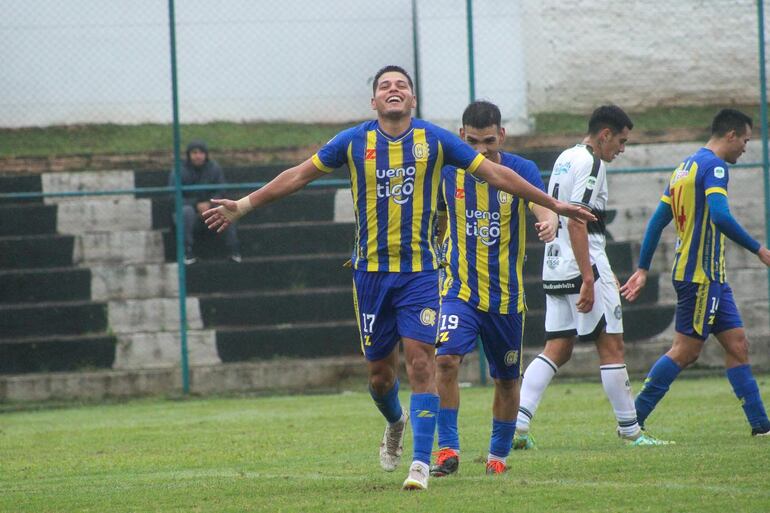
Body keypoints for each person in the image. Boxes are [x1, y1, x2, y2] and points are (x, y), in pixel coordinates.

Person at [202, 65, 595, 491]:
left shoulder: (436, 141)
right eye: (385, 86)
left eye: (401, 86)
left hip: (421, 274)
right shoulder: (353, 142)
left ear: (412, 100)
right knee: (379, 376)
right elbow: (299, 175)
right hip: (370, 274)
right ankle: (395, 420)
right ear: (374, 101)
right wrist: (243, 206)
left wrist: (553, 207)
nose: (393, 90)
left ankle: (422, 465)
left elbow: (497, 174)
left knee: (425, 361)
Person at [513, 105, 669, 450]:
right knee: (612, 346)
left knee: (558, 347)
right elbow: (578, 220)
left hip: (555, 264)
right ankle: (631, 431)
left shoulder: (566, 157)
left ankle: (518, 426)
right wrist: (589, 276)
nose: (622, 149)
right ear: (605, 135)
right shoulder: (592, 163)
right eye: (621, 141)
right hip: (581, 264)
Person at [621, 108, 770, 437]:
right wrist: (759, 249)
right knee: (685, 351)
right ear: (730, 135)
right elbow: (720, 216)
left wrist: (643, 268)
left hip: (711, 276)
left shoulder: (684, 167)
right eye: (745, 140)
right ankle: (632, 421)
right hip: (700, 276)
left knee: (738, 344)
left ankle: (761, 426)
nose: (746, 147)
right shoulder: (714, 167)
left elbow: (657, 221)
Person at [429, 100, 558, 477]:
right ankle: (447, 451)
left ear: (501, 134)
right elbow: (438, 217)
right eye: (473, 142)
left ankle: (497, 457)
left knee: (506, 380)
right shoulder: (448, 171)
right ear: (460, 137)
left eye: (488, 140)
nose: (481, 149)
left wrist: (549, 223)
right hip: (458, 290)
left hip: (505, 296)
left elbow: (543, 206)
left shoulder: (521, 170)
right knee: (446, 360)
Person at [169, 140, 241, 264]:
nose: (198, 156)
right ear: (189, 155)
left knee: (228, 209)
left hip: (211, 212)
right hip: (190, 214)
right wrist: (196, 204)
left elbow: (222, 190)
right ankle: (187, 252)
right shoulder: (179, 170)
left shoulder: (214, 168)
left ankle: (234, 251)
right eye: (194, 152)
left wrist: (210, 203)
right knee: (186, 212)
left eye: (201, 152)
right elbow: (174, 196)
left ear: (206, 154)